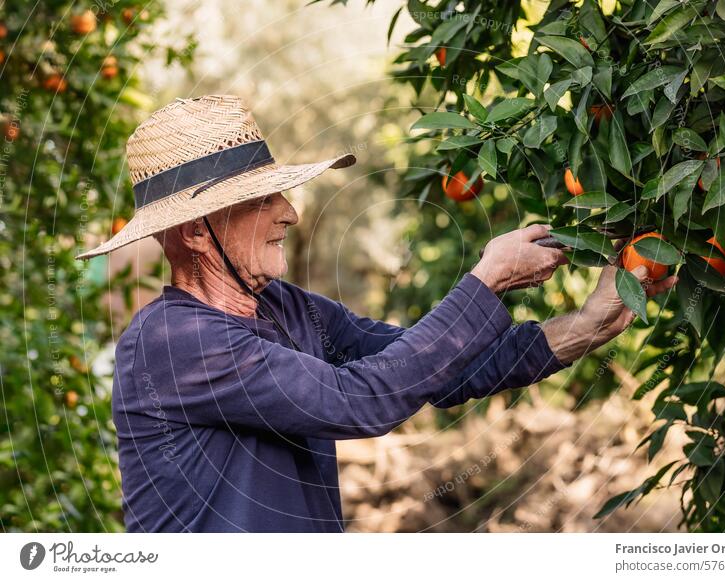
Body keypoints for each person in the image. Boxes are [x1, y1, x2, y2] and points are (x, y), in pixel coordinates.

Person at [77, 95, 676, 532]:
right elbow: (357, 401)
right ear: (196, 233)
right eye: (262, 199)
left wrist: (590, 323)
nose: (289, 213)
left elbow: (432, 364)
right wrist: (486, 281)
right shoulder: (170, 343)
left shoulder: (286, 307)